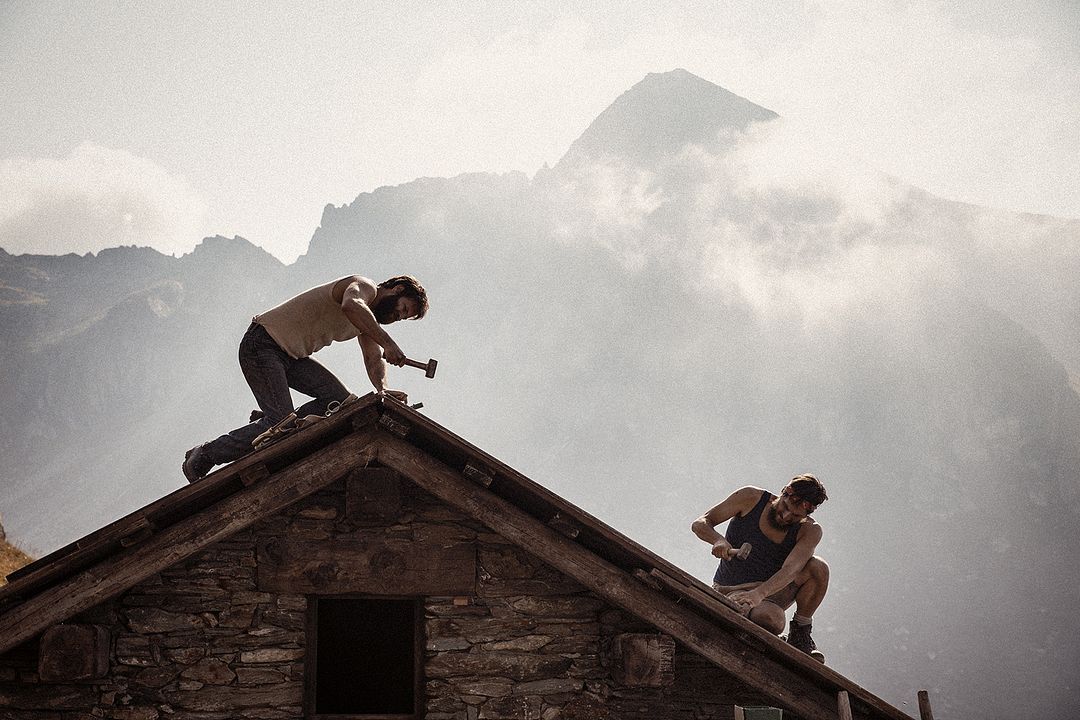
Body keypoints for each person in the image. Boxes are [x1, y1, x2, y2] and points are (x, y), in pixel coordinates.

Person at [182, 274, 428, 482]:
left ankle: (276, 420)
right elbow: (351, 305)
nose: (398, 317)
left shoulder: (367, 323)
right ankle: (206, 453)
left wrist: (383, 391)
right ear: (397, 289)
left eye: (403, 318)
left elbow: (374, 360)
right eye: (403, 309)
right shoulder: (364, 286)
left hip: (290, 357)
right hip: (262, 343)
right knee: (281, 424)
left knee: (340, 401)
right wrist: (388, 342)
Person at [691, 474, 829, 660]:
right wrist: (718, 540)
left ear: (806, 514)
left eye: (796, 516)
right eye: (785, 507)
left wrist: (759, 594)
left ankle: (800, 633)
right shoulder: (750, 498)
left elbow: (791, 570)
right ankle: (744, 614)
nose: (786, 516)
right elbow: (700, 523)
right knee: (771, 619)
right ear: (784, 493)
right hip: (730, 589)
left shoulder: (810, 530)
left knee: (818, 567)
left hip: (769, 592)